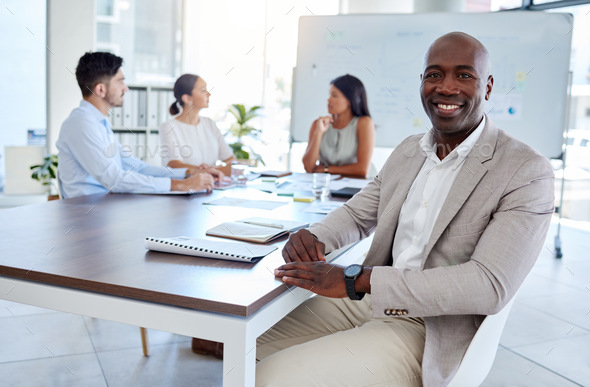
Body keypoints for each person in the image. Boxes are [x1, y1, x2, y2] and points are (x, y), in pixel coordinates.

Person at [255, 32, 555, 386]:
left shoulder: (524, 169)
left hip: (432, 326)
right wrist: (315, 237)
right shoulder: (409, 150)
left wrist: (357, 279)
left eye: (464, 75)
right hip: (369, 300)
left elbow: (488, 285)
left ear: (487, 87)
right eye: (433, 75)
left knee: (271, 376)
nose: (445, 87)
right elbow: (356, 215)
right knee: (246, 346)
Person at [57, 52, 220, 198]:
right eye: (120, 82)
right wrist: (182, 185)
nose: (126, 89)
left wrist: (189, 173)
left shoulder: (99, 123)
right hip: (85, 214)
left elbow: (138, 168)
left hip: (105, 206)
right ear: (100, 90)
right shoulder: (81, 124)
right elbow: (114, 179)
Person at [159, 74, 235, 175]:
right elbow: (174, 165)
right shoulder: (169, 127)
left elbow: (230, 159)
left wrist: (213, 169)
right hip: (185, 186)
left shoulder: (210, 124)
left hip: (214, 185)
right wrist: (211, 171)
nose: (208, 94)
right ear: (187, 98)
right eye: (203, 90)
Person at [302, 74, 375, 178]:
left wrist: (325, 169)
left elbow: (362, 169)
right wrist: (318, 133)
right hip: (327, 186)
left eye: (334, 95)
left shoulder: (364, 123)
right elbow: (309, 167)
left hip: (356, 188)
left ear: (350, 100)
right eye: (329, 95)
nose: (328, 100)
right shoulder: (318, 124)